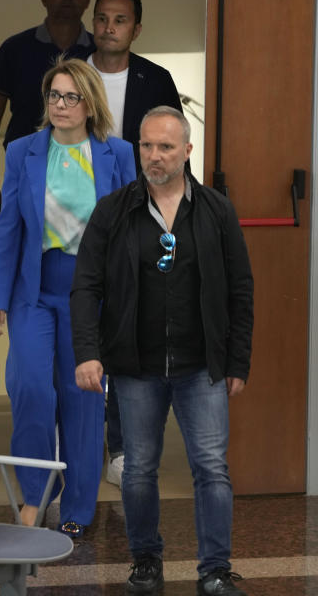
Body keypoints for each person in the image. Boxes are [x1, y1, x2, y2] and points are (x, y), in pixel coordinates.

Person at [70, 106, 253, 595]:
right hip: (135, 366)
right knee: (138, 470)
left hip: (202, 368)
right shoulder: (113, 210)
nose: (153, 155)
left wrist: (238, 360)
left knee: (211, 469)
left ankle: (214, 568)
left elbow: (240, 289)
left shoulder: (216, 211)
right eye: (146, 146)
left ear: (188, 151)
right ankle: (145, 560)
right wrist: (87, 352)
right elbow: (85, 286)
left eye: (165, 147)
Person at [0, 57, 135, 538]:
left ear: (90, 104)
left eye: (71, 97)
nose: (60, 105)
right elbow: (8, 229)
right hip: (34, 290)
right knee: (30, 386)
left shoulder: (119, 153)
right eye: (54, 95)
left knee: (82, 397)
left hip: (91, 295)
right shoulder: (26, 150)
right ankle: (34, 496)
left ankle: (78, 507)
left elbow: (132, 233)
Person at [86, 0, 185, 488]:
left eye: (120, 19)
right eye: (102, 17)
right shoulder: (73, 75)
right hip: (80, 219)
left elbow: (170, 150)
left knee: (128, 330)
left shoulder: (156, 79)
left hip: (139, 218)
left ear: (136, 28)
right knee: (83, 330)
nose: (109, 27)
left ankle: (121, 446)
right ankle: (80, 445)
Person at [0, 0, 94, 224]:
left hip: (84, 174)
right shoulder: (14, 49)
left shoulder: (98, 54)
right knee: (24, 252)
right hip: (24, 171)